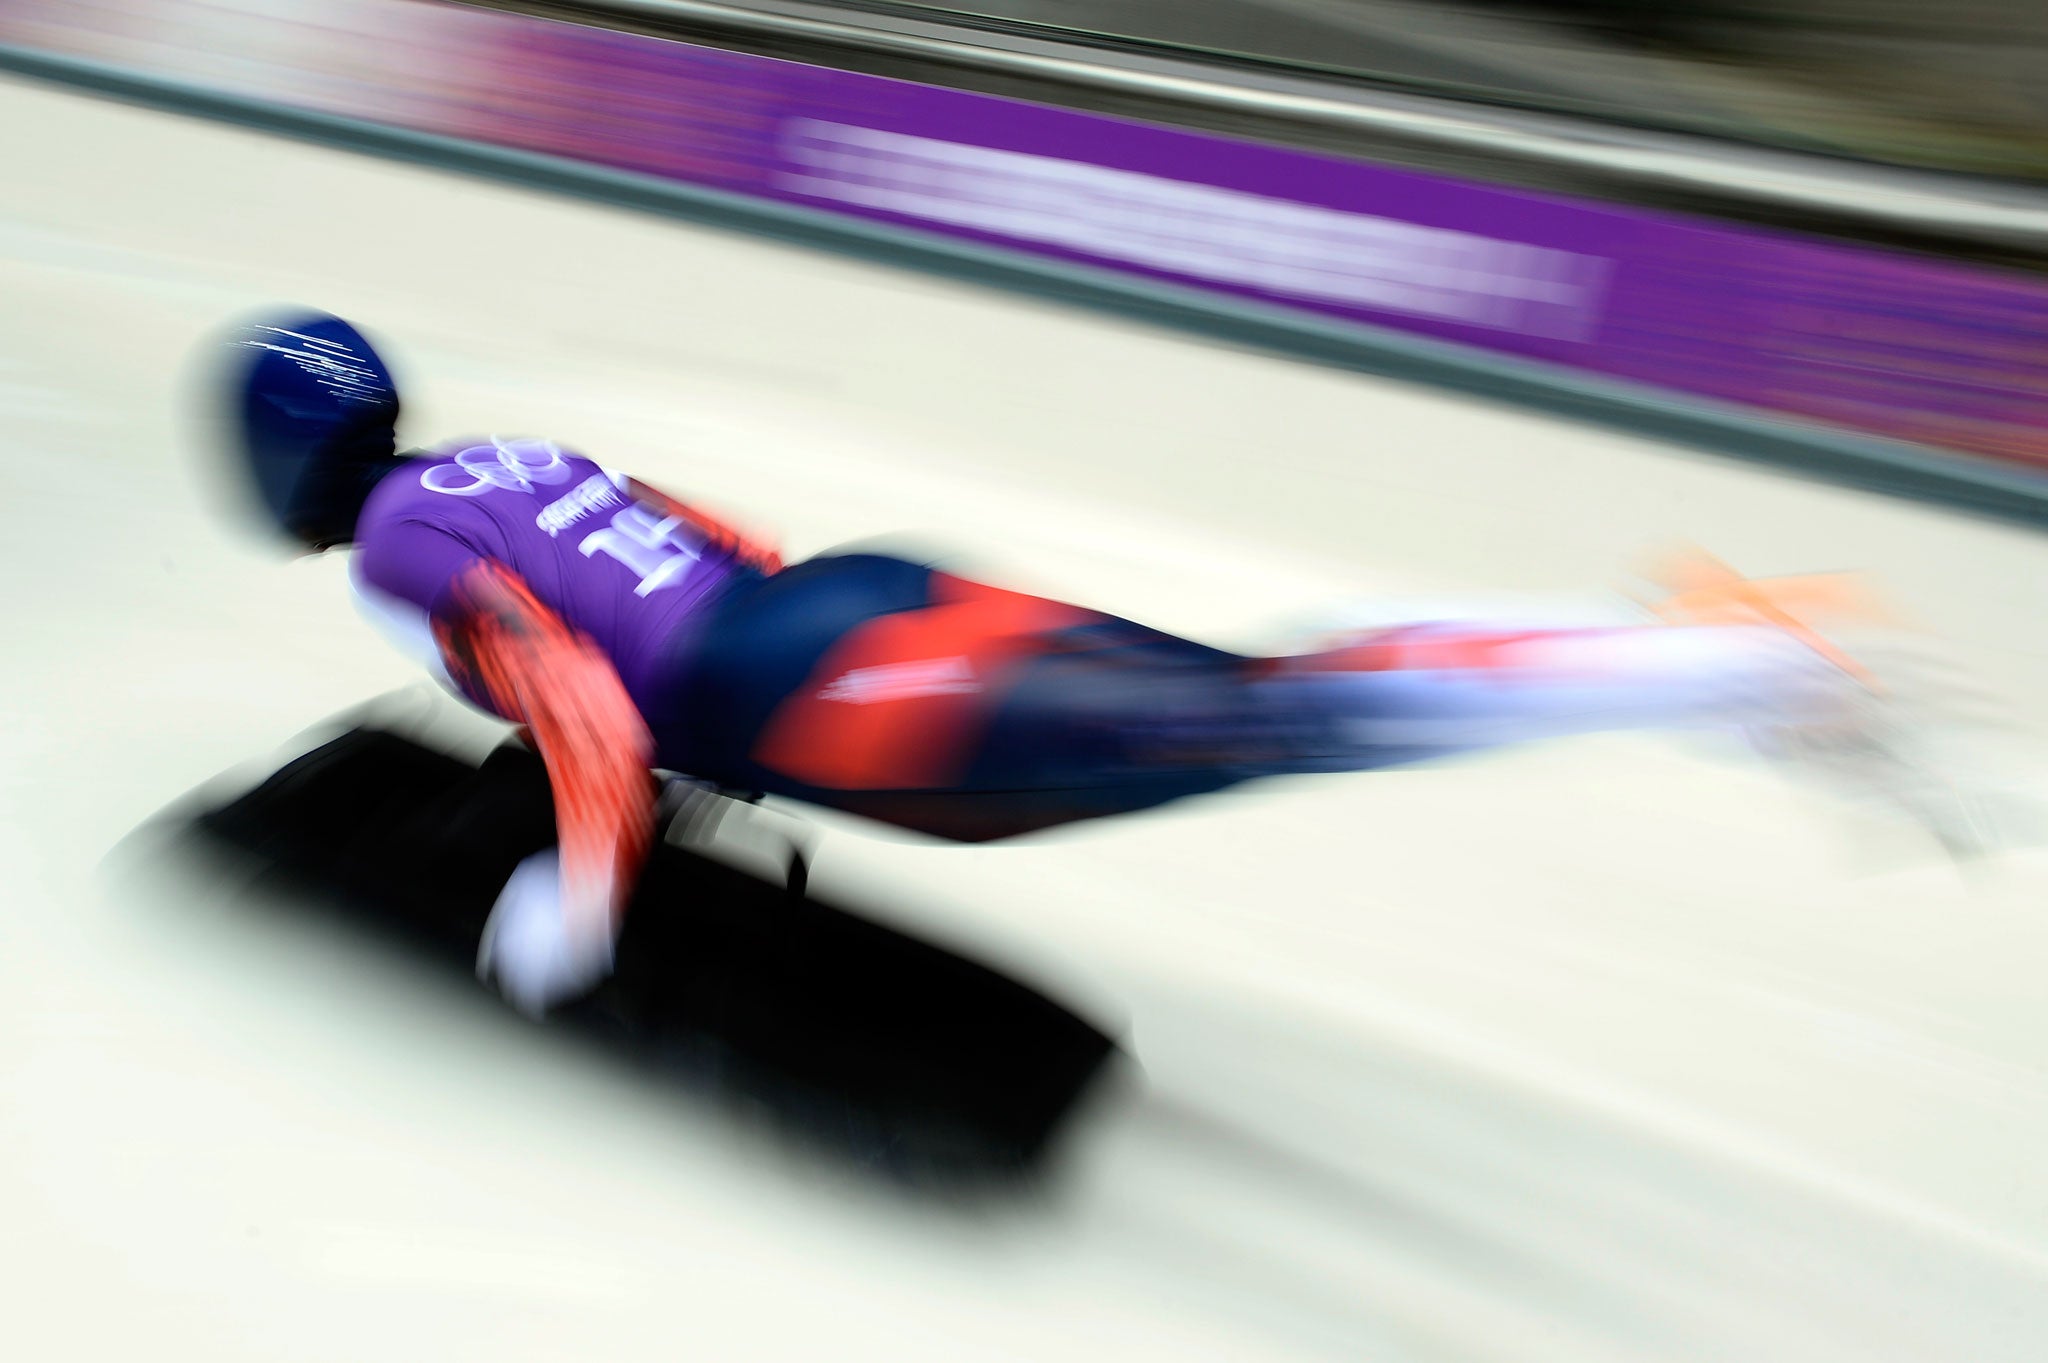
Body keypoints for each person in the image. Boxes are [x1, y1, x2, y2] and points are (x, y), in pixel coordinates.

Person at [224, 311, 1901, 1016]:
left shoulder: (399, 551)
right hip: (854, 610)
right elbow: (714, 535)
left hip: (825, 698)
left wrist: (582, 897)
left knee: (1286, 715)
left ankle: (1716, 662)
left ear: (276, 463)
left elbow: (577, 698)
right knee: (1269, 700)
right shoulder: (499, 458)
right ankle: (1679, 653)